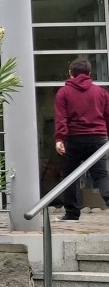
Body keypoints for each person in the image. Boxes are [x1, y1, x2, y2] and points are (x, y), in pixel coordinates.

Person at [54, 58, 109, 221]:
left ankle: (72, 213)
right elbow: (107, 116)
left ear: (70, 73)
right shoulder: (101, 92)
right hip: (98, 138)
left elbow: (61, 118)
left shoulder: (63, 93)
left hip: (74, 139)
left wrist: (59, 138)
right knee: (101, 175)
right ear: (89, 74)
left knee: (70, 176)